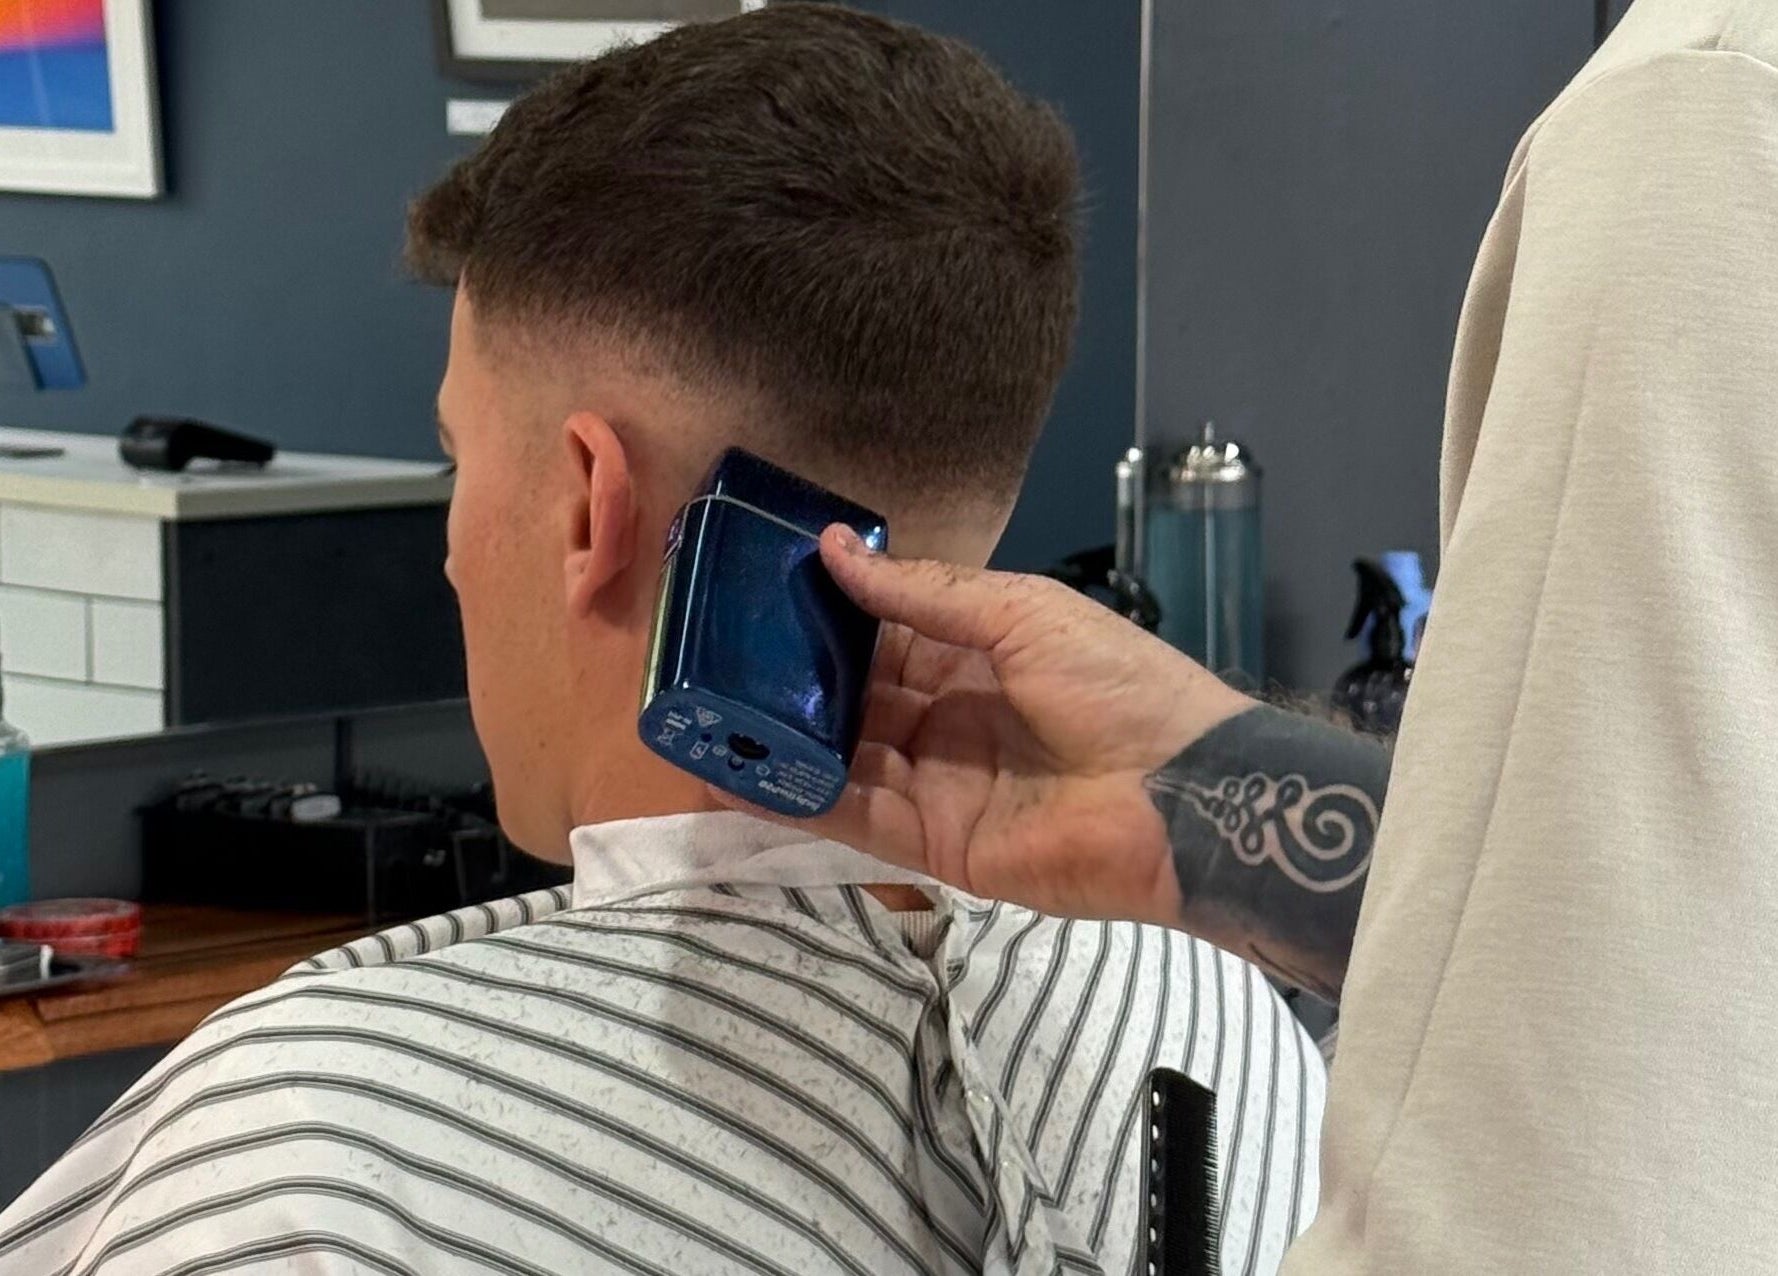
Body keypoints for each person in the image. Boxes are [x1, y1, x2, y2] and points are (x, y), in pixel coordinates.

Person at [0, 7, 1324, 1274]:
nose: (454, 546)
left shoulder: (303, 1168)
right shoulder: (1238, 1034)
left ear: (591, 502)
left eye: (460, 455)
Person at [726, 1, 1778, 1271]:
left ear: (588, 495)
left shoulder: (1706, 122)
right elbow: (1681, 951)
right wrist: (1209, 788)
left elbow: (1576, 1179)